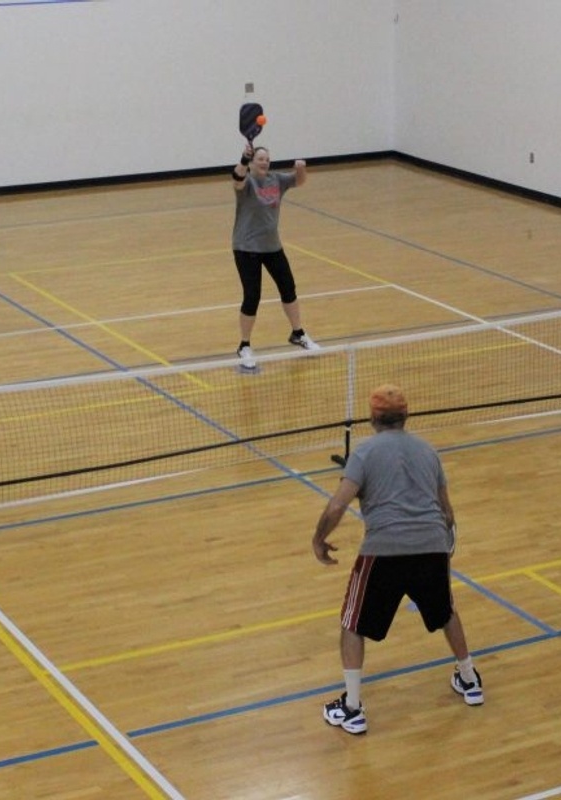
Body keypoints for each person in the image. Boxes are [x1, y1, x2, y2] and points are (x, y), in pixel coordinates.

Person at [312, 384, 483, 735]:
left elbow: (337, 505)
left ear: (372, 418)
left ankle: (353, 708)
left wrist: (319, 539)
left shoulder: (363, 453)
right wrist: (439, 547)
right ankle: (470, 680)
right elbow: (447, 513)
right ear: (406, 416)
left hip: (383, 552)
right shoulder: (427, 451)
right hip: (431, 547)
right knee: (445, 611)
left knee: (352, 624)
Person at [230, 142, 320, 370]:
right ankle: (244, 346)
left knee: (288, 288)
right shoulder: (247, 181)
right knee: (252, 296)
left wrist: (300, 168)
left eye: (267, 159)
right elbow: (236, 179)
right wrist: (242, 158)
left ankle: (298, 333)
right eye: (260, 159)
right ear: (251, 163)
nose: (264, 162)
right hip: (246, 248)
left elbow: (299, 181)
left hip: (272, 247)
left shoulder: (276, 180)